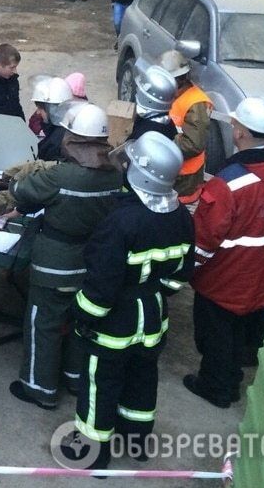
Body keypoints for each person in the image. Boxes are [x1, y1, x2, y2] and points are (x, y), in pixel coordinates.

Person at [70, 132, 194, 469]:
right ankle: (137, 442)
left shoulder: (121, 222)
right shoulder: (181, 216)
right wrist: (154, 292)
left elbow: (102, 284)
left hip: (115, 323)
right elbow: (181, 272)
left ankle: (93, 454)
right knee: (143, 377)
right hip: (153, 316)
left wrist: (82, 312)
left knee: (101, 383)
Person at [185, 97, 264, 408]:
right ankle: (243, 360)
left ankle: (217, 387)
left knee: (217, 335)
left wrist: (187, 269)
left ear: (240, 133)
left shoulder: (229, 184)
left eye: (235, 124)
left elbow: (205, 239)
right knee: (247, 328)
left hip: (226, 278)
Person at [6, 105, 122, 410]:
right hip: (91, 263)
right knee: (78, 323)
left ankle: (38, 387)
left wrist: (30, 173)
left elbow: (20, 190)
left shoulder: (60, 175)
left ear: (73, 138)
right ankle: (73, 378)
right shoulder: (114, 174)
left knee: (42, 323)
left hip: (54, 263)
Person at [158, 49, 212, 204]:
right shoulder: (173, 95)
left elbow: (193, 145)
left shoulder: (196, 103)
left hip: (185, 179)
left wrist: (159, 143)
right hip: (172, 172)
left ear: (178, 79)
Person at [128, 62, 177, 141]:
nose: (138, 90)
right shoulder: (166, 123)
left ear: (150, 99)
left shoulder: (146, 133)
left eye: (142, 89)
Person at [30, 76, 74, 161]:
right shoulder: (70, 126)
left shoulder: (55, 143)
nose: (38, 112)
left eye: (40, 108)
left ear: (52, 110)